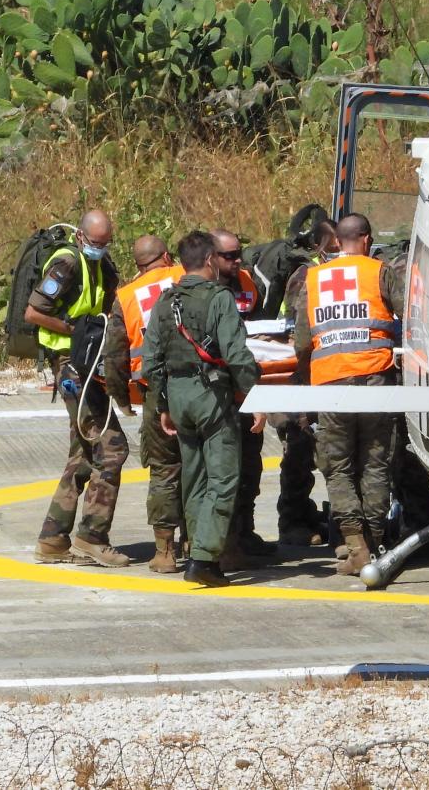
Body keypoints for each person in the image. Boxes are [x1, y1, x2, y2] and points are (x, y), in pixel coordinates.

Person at [142, 230, 261, 587]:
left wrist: (164, 403)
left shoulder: (165, 301)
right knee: (223, 479)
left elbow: (151, 361)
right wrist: (254, 396)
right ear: (210, 260)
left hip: (177, 396)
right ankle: (204, 559)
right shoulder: (220, 298)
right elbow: (236, 354)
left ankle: (197, 548)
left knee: (193, 479)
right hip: (210, 396)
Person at [291, 213, 405, 575]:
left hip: (330, 384)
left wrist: (308, 377)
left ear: (338, 242)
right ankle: (375, 542)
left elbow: (301, 341)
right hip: (375, 380)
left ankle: (355, 546)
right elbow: (410, 318)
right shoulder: (380, 271)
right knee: (375, 461)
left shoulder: (314, 278)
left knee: (337, 466)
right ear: (367, 240)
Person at [28, 209, 131, 568]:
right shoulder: (67, 263)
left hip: (87, 363)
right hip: (70, 366)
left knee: (83, 454)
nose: (100, 249)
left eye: (105, 243)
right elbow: (33, 312)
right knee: (112, 449)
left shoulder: (100, 264)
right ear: (80, 237)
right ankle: (92, 538)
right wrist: (74, 331)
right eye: (95, 243)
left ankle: (53, 540)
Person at [103, 235, 185, 572]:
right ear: (166, 256)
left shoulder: (125, 298)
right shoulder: (186, 275)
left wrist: (122, 398)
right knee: (200, 467)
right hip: (200, 387)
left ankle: (165, 552)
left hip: (156, 394)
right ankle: (198, 543)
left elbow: (114, 357)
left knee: (164, 471)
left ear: (137, 264)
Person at [209, 228, 275, 565]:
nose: (238, 261)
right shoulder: (198, 288)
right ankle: (215, 542)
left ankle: (244, 533)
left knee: (250, 464)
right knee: (219, 470)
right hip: (215, 389)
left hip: (246, 383)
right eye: (230, 256)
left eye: (240, 254)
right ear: (211, 257)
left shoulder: (249, 282)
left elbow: (260, 326)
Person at [274, 217, 341, 547]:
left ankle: (330, 518)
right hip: (305, 377)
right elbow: (299, 330)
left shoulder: (343, 272)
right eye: (333, 247)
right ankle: (293, 521)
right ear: (317, 247)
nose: (338, 252)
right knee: (299, 450)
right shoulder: (305, 276)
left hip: (334, 373)